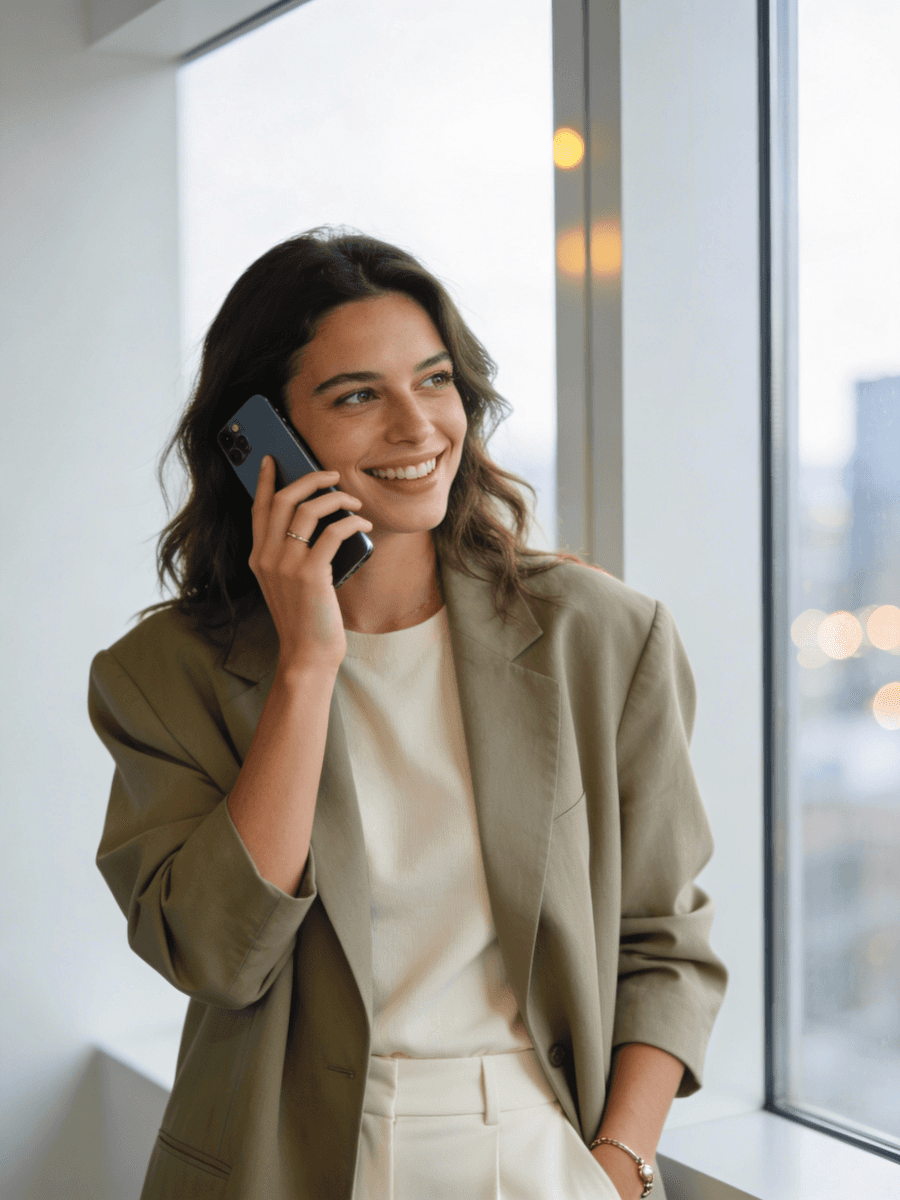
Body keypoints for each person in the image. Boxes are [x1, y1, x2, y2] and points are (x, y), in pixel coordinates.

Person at [88, 227, 727, 1200]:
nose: (418, 427)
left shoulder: (600, 636)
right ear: (259, 435)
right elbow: (218, 955)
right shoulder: (161, 677)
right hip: (284, 1161)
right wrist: (307, 664)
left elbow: (665, 946)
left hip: (535, 1149)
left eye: (434, 382)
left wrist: (620, 1170)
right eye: (357, 397)